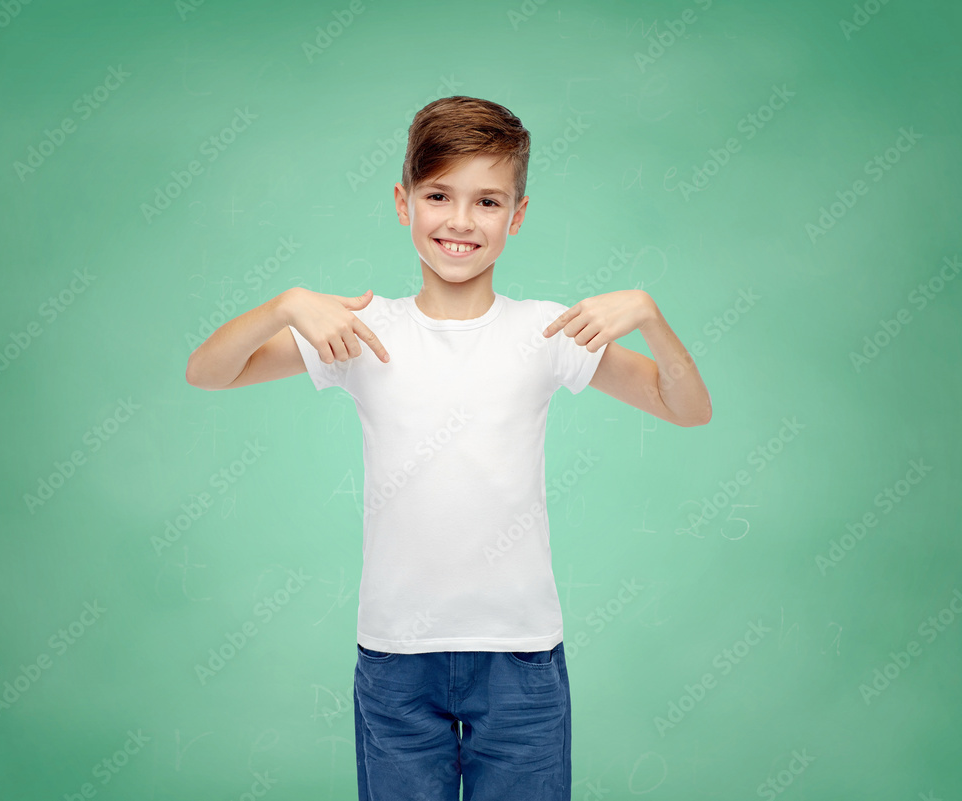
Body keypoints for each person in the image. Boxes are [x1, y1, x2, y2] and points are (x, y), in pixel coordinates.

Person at [186, 95, 712, 801]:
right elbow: (208, 372)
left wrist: (649, 313)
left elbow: (688, 407)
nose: (461, 221)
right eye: (439, 195)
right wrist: (284, 304)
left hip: (520, 654)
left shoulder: (547, 331)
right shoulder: (362, 330)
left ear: (517, 216)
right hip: (397, 655)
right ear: (403, 203)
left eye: (487, 201)